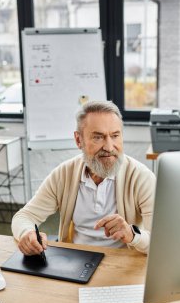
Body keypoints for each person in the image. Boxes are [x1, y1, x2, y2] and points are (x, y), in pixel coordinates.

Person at [12, 100, 156, 256]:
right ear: (78, 140)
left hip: (124, 263)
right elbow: (24, 216)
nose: (109, 147)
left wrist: (132, 235)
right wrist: (27, 233)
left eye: (115, 136)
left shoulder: (141, 177)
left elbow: (159, 244)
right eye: (98, 137)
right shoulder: (64, 174)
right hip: (76, 261)